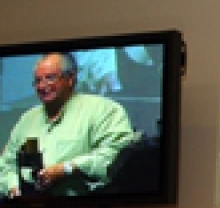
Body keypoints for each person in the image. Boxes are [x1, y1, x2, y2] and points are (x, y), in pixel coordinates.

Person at [0, 52, 138, 197]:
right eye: (37, 81)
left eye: (50, 78)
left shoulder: (104, 110)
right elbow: (6, 164)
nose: (42, 86)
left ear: (70, 78)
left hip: (83, 207)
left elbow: (114, 156)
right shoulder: (27, 120)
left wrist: (66, 169)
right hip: (29, 207)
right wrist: (13, 188)